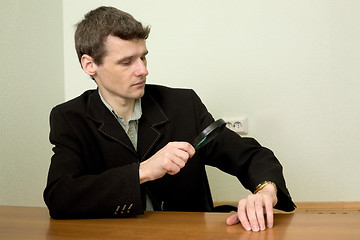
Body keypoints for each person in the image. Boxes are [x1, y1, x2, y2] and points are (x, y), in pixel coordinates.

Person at [43, 6, 295, 232]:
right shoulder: (69, 117)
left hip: (186, 234)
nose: (143, 70)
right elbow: (60, 196)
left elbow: (250, 156)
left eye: (143, 57)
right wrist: (143, 171)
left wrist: (267, 191)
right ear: (89, 65)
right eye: (126, 62)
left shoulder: (183, 105)